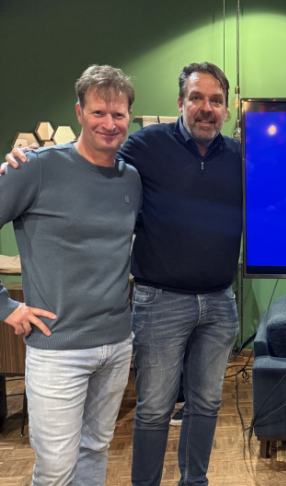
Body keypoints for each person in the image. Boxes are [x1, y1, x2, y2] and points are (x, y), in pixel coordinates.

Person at [4, 62, 286, 486]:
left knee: (205, 404)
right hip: (158, 302)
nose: (206, 108)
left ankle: (195, 481)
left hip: (219, 303)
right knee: (152, 410)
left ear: (226, 109)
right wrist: (26, 160)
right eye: (196, 98)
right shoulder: (144, 146)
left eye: (216, 100)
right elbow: (89, 159)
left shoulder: (241, 156)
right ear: (180, 102)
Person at [0, 65, 142, 486]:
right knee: (56, 469)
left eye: (118, 114)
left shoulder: (130, 179)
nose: (109, 123)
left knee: (95, 451)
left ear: (129, 118)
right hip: (57, 349)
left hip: (116, 344)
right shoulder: (34, 168)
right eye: (98, 112)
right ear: (79, 112)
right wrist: (5, 307)